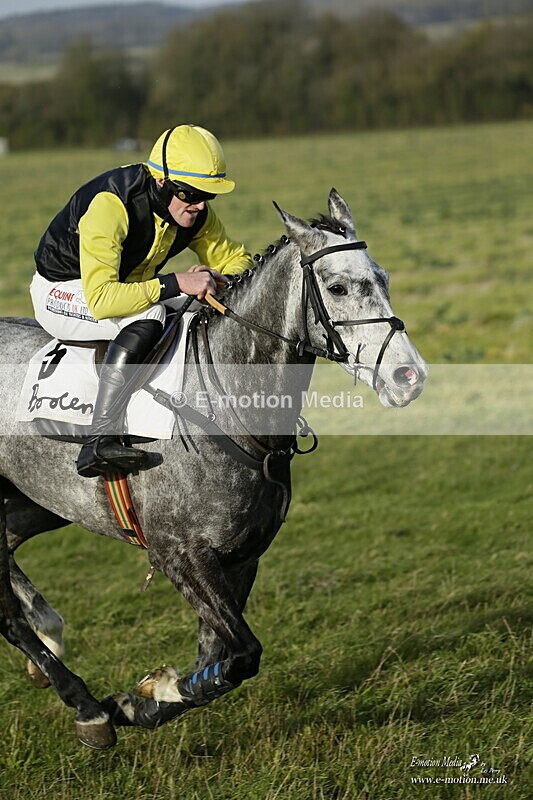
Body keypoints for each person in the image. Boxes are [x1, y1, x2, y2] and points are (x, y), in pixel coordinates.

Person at [30, 124, 252, 478]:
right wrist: (176, 281)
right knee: (151, 313)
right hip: (64, 290)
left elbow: (239, 259)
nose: (198, 206)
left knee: (192, 309)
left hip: (120, 286)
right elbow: (102, 298)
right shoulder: (111, 205)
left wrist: (218, 276)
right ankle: (98, 441)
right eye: (190, 194)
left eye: (207, 196)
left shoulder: (194, 211)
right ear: (161, 181)